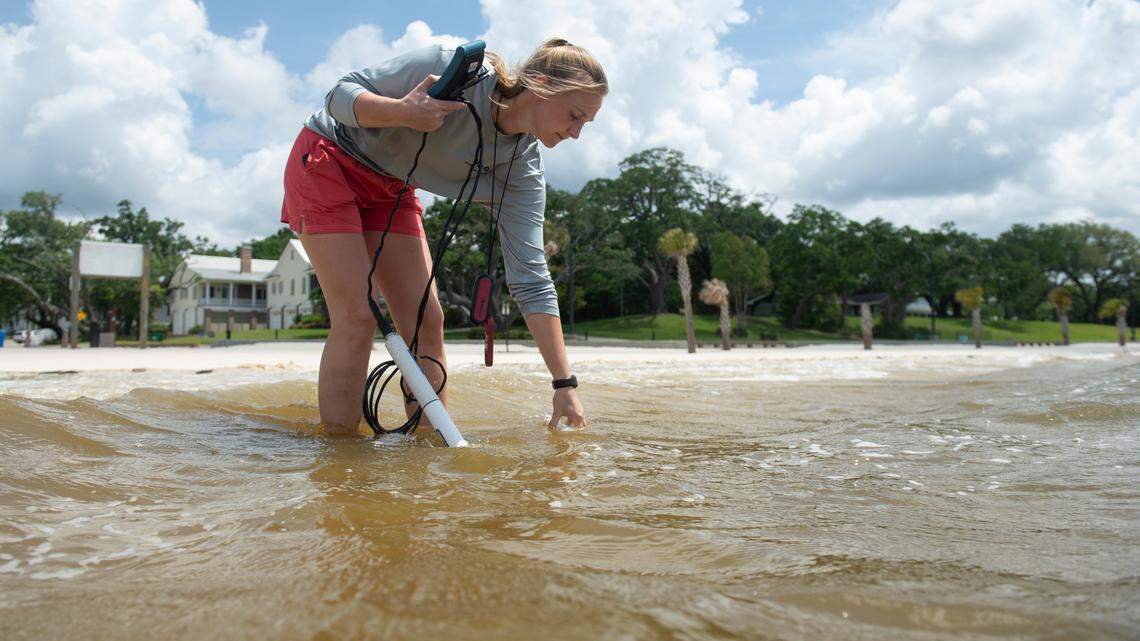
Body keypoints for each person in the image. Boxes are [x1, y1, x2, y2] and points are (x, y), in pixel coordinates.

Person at [281, 38, 607, 436]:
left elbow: (533, 281)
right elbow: (337, 96)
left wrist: (563, 384)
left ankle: (430, 454)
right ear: (538, 85)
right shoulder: (450, 70)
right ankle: (340, 457)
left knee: (427, 321)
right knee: (357, 316)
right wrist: (402, 111)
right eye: (575, 115)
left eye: (585, 124)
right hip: (328, 157)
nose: (576, 134)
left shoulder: (521, 174)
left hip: (391, 186)